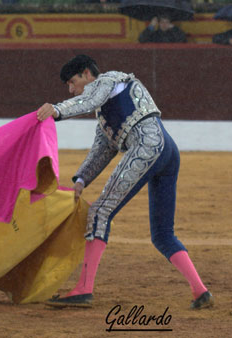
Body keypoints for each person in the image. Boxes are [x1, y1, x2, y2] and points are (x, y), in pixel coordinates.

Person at [36, 55, 213, 310]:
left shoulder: (108, 80)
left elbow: (90, 99)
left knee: (99, 211)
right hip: (167, 150)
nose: (71, 89)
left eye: (72, 82)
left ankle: (84, 289)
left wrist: (58, 109)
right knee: (163, 235)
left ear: (87, 74)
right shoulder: (107, 110)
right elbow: (102, 149)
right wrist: (81, 180)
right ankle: (200, 291)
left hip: (147, 147)